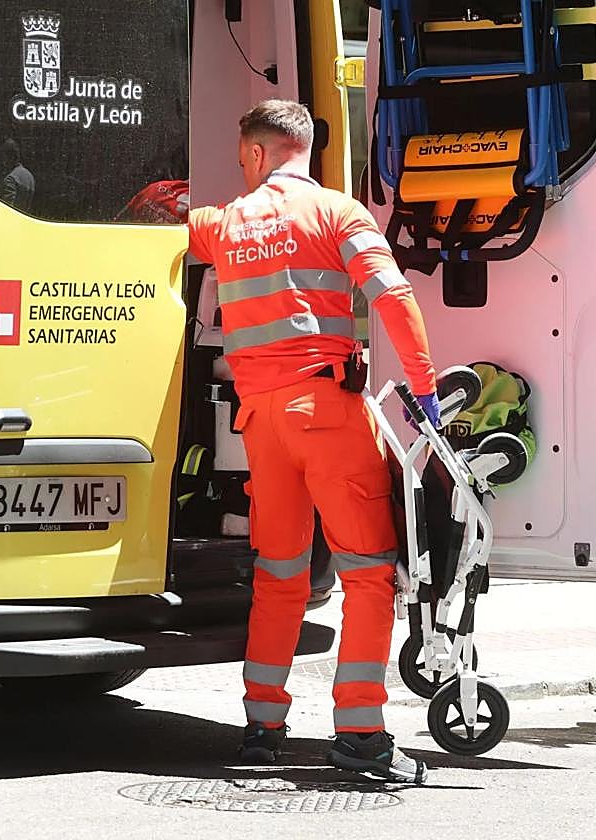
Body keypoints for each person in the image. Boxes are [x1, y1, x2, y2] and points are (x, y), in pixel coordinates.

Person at [187, 99, 440, 781]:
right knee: (366, 571)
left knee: (279, 574)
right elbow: (392, 297)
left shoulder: (224, 224)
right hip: (328, 414)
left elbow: (171, 225)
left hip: (261, 424)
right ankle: (359, 731)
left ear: (258, 153)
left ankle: (262, 725)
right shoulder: (339, 213)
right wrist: (423, 389)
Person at [0, 138, 35, 213]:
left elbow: (7, 210)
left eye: (4, 157)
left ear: (11, 157)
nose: (3, 161)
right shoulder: (29, 175)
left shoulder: (11, 178)